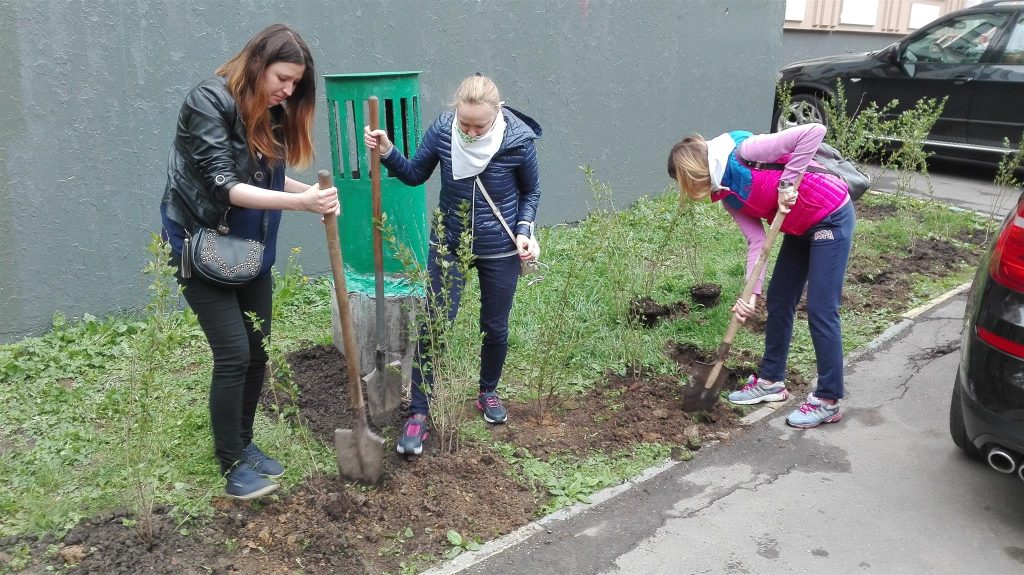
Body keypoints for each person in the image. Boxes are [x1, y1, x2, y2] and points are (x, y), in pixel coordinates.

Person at [159, 24, 339, 499]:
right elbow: (223, 184)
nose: (288, 90)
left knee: (258, 351)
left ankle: (243, 442)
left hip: (250, 249)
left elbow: (270, 181)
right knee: (234, 353)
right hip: (200, 244)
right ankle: (231, 464)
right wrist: (302, 206)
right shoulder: (208, 102)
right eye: (283, 78)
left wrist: (312, 193)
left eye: (296, 84)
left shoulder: (271, 110)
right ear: (257, 64)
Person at [363, 74, 542, 455]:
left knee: (495, 327)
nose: (472, 132)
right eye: (465, 124)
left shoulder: (518, 142)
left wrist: (524, 229)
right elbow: (414, 174)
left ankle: (487, 392)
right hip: (448, 242)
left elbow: (531, 191)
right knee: (435, 325)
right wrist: (389, 151)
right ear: (454, 113)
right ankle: (419, 414)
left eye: (480, 125)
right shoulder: (444, 130)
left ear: (498, 115)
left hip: (499, 247)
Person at [667, 123, 855, 428]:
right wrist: (749, 296)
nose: (694, 192)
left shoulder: (745, 153)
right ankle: (771, 381)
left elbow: (813, 132)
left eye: (688, 184)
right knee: (779, 300)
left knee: (821, 309)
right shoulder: (728, 194)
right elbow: (757, 242)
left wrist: (786, 184)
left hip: (829, 215)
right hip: (798, 226)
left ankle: (828, 399)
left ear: (695, 173)